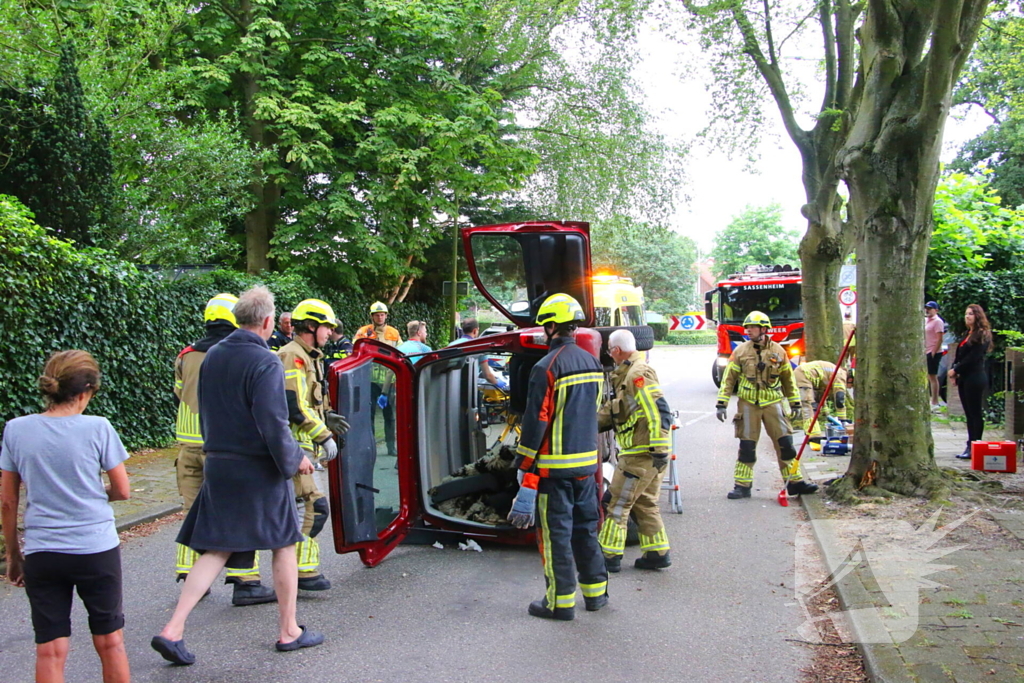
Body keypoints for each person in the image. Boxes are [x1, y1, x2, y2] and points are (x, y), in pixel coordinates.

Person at [152, 286, 323, 665]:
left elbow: (203, 409)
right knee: (284, 544)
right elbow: (272, 422)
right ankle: (289, 630)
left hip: (219, 463)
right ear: (267, 321)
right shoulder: (265, 361)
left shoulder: (212, 356)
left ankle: (173, 630)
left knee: (218, 547)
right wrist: (294, 459)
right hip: (257, 468)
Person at [1, 350, 131, 683]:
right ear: (86, 391)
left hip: (43, 551)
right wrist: (92, 492)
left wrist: (14, 555)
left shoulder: (16, 430)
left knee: (50, 649)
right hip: (95, 548)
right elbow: (122, 490)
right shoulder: (99, 427)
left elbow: (8, 501)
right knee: (110, 641)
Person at [172, 293, 276, 605]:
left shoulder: (186, 355)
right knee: (241, 513)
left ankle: (191, 576)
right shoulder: (237, 354)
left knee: (192, 511)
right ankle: (245, 580)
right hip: (224, 447)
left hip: (187, 446)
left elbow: (178, 394)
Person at [511, 293, 608, 621]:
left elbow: (536, 420)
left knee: (556, 537)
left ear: (551, 327)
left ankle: (560, 603)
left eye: (544, 326)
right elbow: (594, 410)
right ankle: (596, 595)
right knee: (586, 530)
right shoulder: (593, 363)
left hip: (554, 472)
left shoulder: (546, 367)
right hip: (586, 467)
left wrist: (524, 464)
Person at [278, 299, 349, 591]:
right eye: (326, 327)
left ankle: (300, 571)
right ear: (310, 325)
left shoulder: (310, 356)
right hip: (296, 446)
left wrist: (327, 416)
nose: (330, 332)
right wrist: (323, 435)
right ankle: (298, 571)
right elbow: (293, 404)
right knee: (314, 507)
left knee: (301, 509)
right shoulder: (292, 356)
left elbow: (310, 400)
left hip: (304, 446)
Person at [715, 311, 818, 499]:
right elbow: (728, 379)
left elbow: (788, 380)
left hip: (773, 403)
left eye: (752, 327)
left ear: (764, 329)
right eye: (747, 327)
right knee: (747, 446)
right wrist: (721, 403)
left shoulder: (778, 351)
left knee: (785, 444)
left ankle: (794, 482)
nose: (748, 330)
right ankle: (742, 486)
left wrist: (795, 403)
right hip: (748, 405)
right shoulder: (740, 351)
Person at [597, 329, 673, 572]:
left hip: (640, 454)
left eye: (610, 350)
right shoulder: (628, 374)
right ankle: (657, 553)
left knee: (616, 503)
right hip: (646, 454)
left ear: (617, 350)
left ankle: (608, 556)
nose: (609, 355)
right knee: (644, 503)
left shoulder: (638, 374)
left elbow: (657, 410)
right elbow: (619, 409)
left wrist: (658, 448)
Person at [355, 302, 401, 456]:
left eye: (382, 315)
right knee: (369, 415)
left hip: (388, 380)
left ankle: (391, 447)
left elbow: (399, 354)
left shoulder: (394, 333)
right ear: (372, 316)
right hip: (369, 380)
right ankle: (370, 446)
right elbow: (355, 352)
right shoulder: (363, 332)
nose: (380, 317)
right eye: (377, 315)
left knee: (390, 416)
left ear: (386, 316)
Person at [949, 303, 993, 459]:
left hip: (975, 377)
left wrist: (956, 369)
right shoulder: (966, 334)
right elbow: (960, 355)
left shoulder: (982, 335)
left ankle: (976, 444)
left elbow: (973, 357)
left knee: (975, 412)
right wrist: (955, 370)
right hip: (964, 378)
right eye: (966, 314)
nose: (967, 317)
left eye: (971, 314)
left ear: (978, 316)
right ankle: (969, 445)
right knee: (968, 413)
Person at [447, 318, 508, 391]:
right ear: (475, 331)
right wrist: (500, 385)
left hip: (451, 388)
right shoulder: (479, 347)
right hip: (469, 389)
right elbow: (487, 375)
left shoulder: (451, 345)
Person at [792, 360, 848, 436]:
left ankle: (811, 430)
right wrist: (843, 420)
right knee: (808, 406)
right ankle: (813, 434)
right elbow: (840, 399)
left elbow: (822, 396)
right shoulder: (841, 375)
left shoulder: (831, 374)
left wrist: (826, 413)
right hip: (804, 375)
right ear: (850, 379)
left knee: (814, 405)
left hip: (805, 374)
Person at [924, 301, 945, 411]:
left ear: (936, 310)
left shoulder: (938, 322)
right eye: (926, 308)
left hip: (933, 352)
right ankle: (929, 399)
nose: (927, 310)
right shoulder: (926, 320)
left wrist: (933, 352)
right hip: (925, 351)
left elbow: (939, 339)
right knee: (927, 376)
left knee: (932, 376)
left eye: (930, 308)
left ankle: (935, 401)